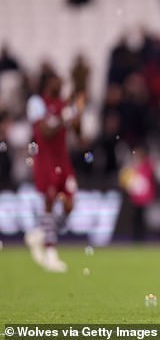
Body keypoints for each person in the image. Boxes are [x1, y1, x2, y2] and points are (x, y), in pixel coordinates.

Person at [24, 70, 85, 272]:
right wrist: (64, 117)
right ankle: (50, 253)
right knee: (49, 203)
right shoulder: (37, 103)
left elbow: (78, 135)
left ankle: (40, 234)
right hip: (46, 161)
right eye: (57, 80)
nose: (61, 84)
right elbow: (44, 131)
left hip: (63, 161)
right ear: (48, 82)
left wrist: (76, 115)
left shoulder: (63, 105)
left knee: (70, 204)